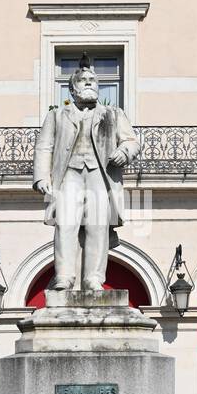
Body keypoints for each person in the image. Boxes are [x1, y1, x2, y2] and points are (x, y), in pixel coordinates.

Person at [32, 54, 139, 292]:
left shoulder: (113, 114)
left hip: (100, 175)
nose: (89, 83)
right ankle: (64, 276)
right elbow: (44, 146)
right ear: (72, 89)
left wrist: (124, 151)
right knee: (66, 224)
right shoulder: (57, 115)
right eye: (83, 80)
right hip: (68, 175)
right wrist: (41, 176)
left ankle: (93, 278)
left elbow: (132, 141)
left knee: (97, 226)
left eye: (93, 80)